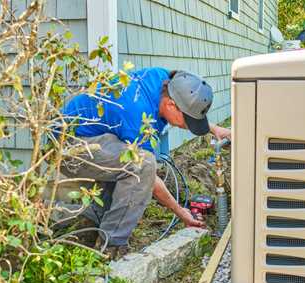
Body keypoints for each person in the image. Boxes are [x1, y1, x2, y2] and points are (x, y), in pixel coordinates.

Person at [59, 67, 231, 259]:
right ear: (171, 105)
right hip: (67, 149)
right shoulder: (137, 114)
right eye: (187, 121)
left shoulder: (164, 79)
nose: (186, 127)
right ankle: (111, 246)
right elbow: (149, 178)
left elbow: (183, 99)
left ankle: (89, 226)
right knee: (142, 164)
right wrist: (181, 212)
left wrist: (213, 129)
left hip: (94, 137)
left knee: (123, 154)